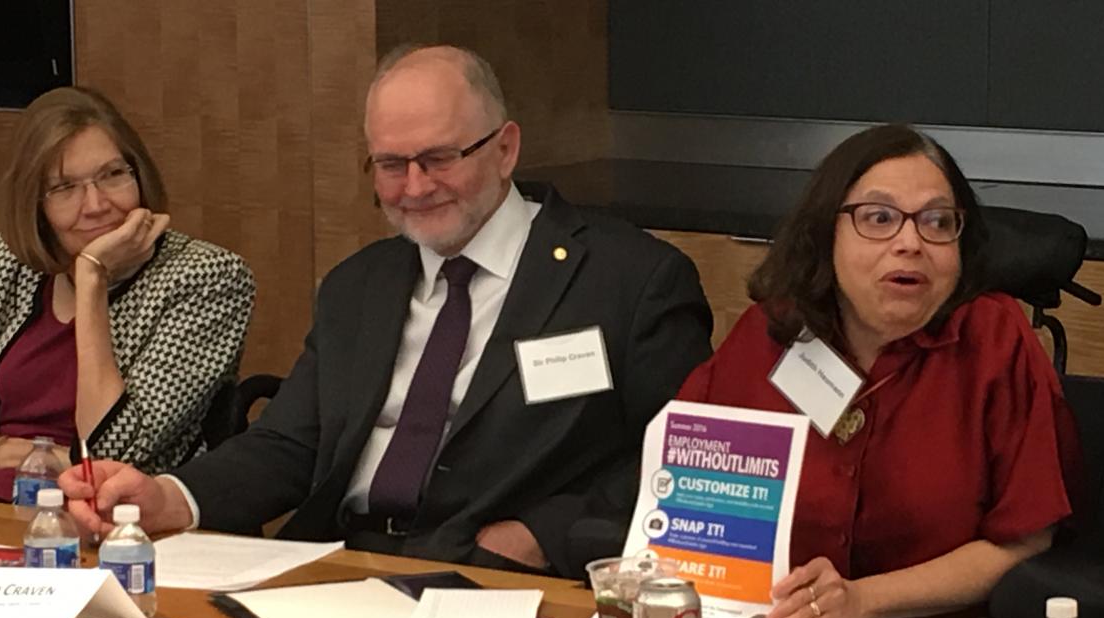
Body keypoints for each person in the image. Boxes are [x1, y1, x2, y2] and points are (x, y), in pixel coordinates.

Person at [62, 45, 711, 578]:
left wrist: (543, 535)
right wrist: (168, 497)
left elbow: (684, 464)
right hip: (336, 568)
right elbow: (291, 445)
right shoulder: (358, 286)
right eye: (391, 165)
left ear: (505, 149)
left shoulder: (629, 280)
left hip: (500, 580)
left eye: (438, 158)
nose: (416, 187)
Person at [677, 124, 1081, 618]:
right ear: (826, 233)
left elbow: (1024, 541)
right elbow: (691, 504)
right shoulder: (769, 334)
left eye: (937, 222)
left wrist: (861, 600)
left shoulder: (993, 342)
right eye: (879, 218)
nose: (910, 242)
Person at [0, 86, 255, 501]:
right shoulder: (10, 263)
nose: (97, 204)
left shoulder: (206, 278)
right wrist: (31, 455)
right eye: (65, 188)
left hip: (114, 520)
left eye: (113, 175)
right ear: (34, 205)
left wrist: (93, 278)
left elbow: (114, 455)